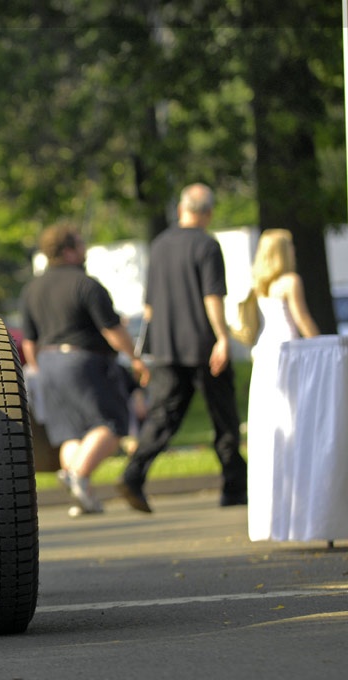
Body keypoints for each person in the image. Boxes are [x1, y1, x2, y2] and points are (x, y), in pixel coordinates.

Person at [116, 183, 248, 513]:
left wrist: (144, 348)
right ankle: (234, 488)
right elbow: (212, 296)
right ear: (208, 212)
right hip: (203, 345)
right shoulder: (207, 245)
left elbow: (149, 306)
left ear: (180, 209)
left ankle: (133, 474)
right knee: (224, 418)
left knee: (163, 415)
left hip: (165, 346)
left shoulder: (159, 246)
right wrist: (222, 337)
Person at [20, 224, 148, 516]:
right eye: (80, 244)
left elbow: (30, 342)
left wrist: (41, 370)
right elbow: (111, 329)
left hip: (47, 363)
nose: (84, 250)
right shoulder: (86, 284)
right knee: (111, 423)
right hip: (84, 361)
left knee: (70, 432)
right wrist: (134, 357)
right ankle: (77, 474)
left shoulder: (32, 289)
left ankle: (83, 495)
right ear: (68, 251)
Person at [243, 229, 319, 540]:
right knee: (294, 416)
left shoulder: (262, 284)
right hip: (289, 348)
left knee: (273, 418)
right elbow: (301, 319)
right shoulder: (290, 281)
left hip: (267, 350)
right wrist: (321, 345)